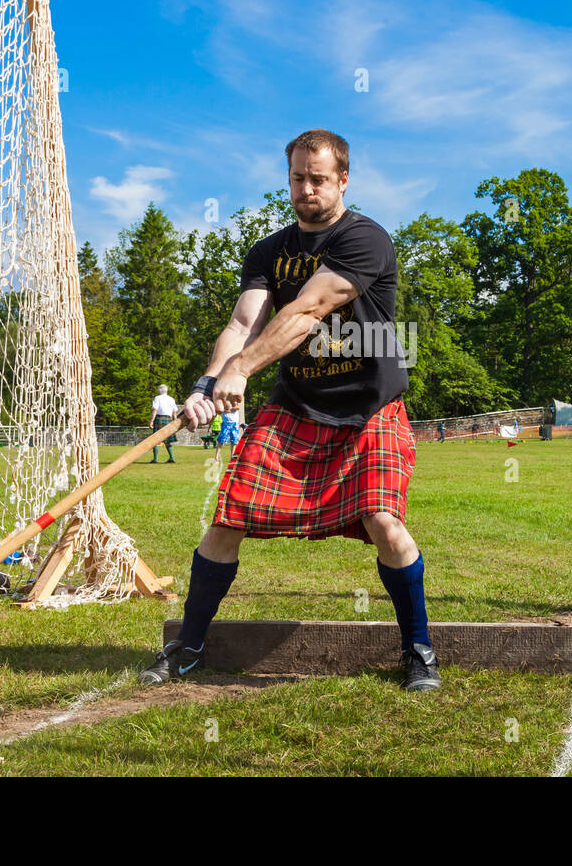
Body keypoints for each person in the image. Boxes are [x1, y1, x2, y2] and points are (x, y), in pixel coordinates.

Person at [139, 129, 438, 693]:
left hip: (370, 408)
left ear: (343, 179)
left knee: (385, 524)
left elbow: (308, 309)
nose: (306, 189)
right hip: (297, 408)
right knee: (229, 519)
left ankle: (419, 650)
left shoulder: (366, 239)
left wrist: (241, 371)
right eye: (298, 178)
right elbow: (242, 324)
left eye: (318, 179)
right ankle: (189, 645)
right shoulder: (269, 252)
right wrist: (209, 382)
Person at [149, 384, 178, 464]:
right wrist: (175, 422)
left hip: (159, 419)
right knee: (168, 440)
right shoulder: (171, 399)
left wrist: (151, 421)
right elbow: (174, 412)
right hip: (169, 420)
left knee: (156, 440)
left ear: (159, 390)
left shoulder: (157, 398)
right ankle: (172, 458)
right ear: (166, 390)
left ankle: (155, 459)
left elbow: (155, 410)